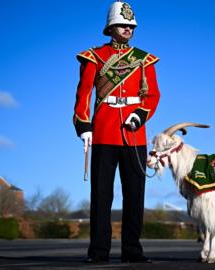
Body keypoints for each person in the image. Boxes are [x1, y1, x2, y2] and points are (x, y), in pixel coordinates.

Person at [73, 1, 160, 263]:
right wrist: (83, 124)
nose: (128, 29)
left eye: (131, 25)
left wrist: (140, 115)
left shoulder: (144, 59)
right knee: (102, 196)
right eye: (123, 25)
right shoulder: (95, 57)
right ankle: (99, 252)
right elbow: (84, 93)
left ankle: (132, 250)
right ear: (111, 28)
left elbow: (153, 95)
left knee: (135, 195)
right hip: (103, 132)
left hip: (134, 134)